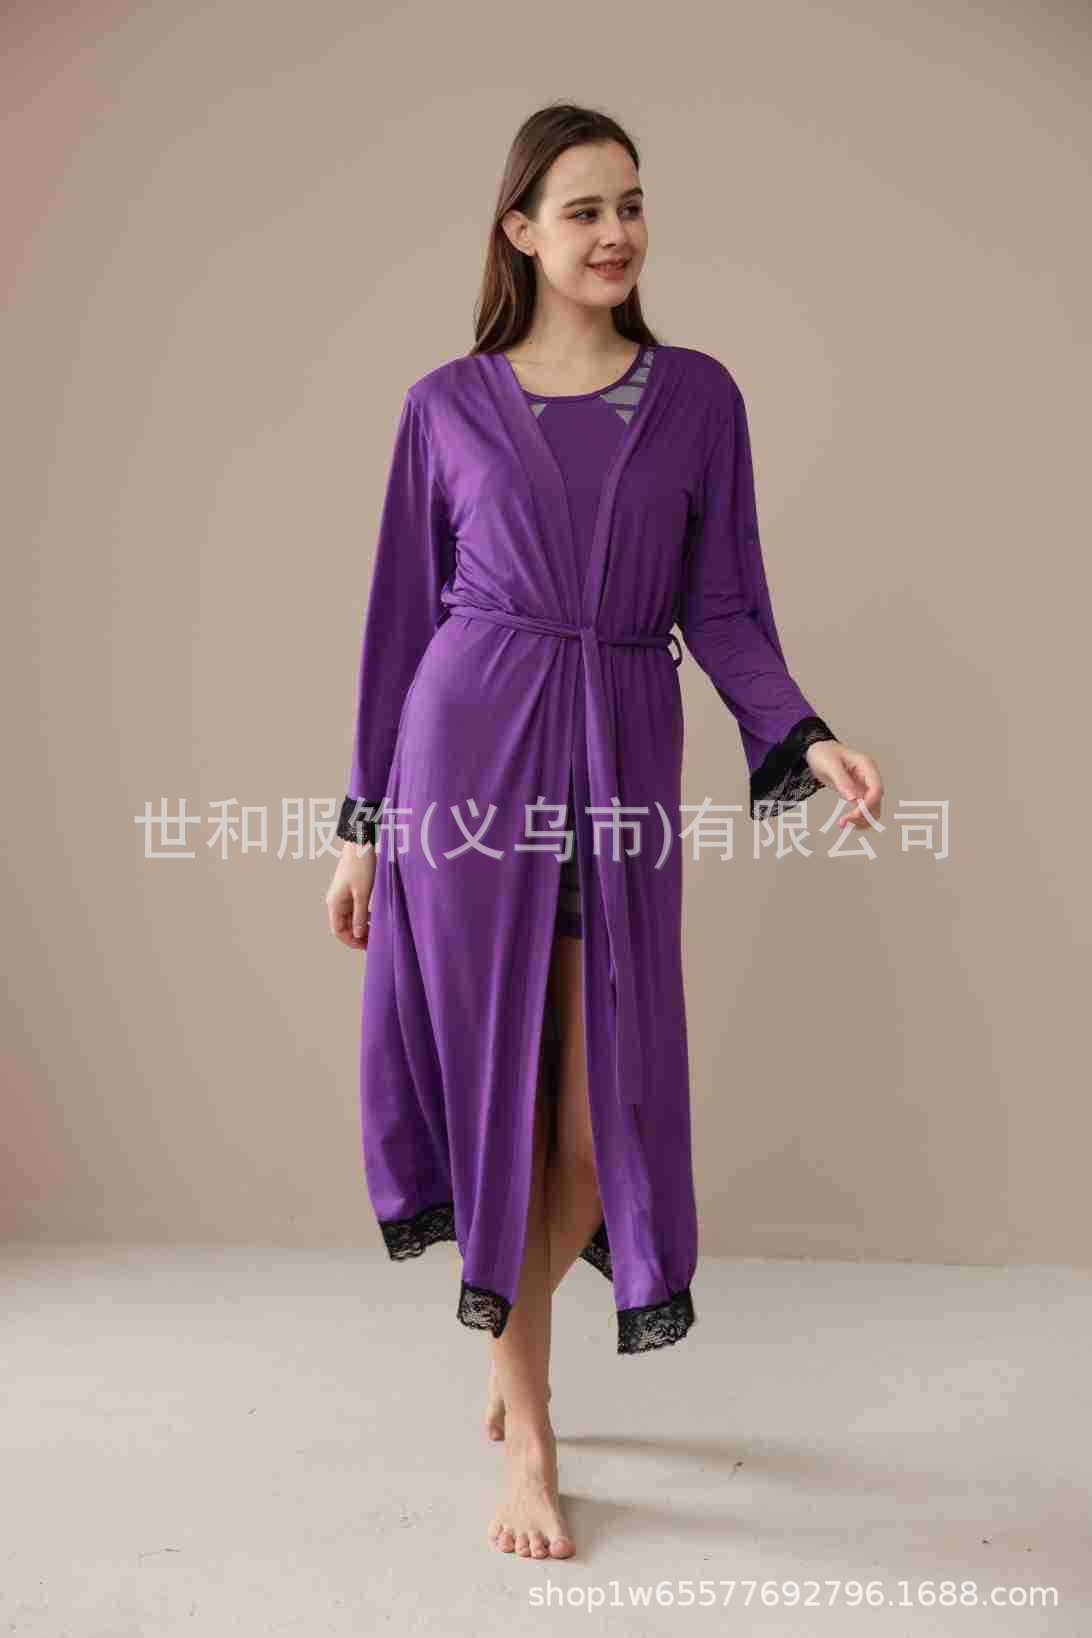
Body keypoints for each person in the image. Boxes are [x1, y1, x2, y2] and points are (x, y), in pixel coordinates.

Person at [326, 103, 883, 1561]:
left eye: (631, 203)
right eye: (582, 209)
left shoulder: (697, 398)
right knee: (500, 1103)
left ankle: (507, 1330)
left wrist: (806, 733)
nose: (616, 232)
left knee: (590, 1125)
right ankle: (533, 1431)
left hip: (622, 756)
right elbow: (400, 628)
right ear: (519, 232)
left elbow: (727, 605)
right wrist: (361, 827)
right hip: (468, 762)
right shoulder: (446, 406)